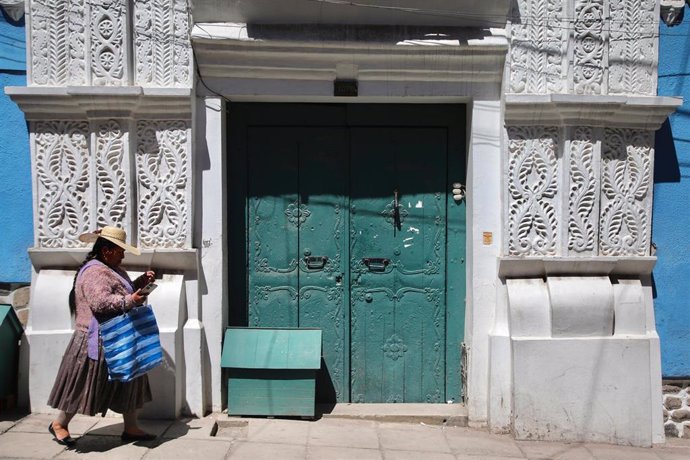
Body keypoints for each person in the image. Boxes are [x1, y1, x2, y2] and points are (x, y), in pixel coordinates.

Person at [47, 226, 157, 445]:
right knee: (82, 384)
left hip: (119, 336)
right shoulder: (95, 272)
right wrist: (131, 301)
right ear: (107, 251)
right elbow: (101, 303)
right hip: (96, 339)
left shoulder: (113, 269)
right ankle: (59, 424)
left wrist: (140, 283)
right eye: (120, 251)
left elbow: (120, 293)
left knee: (129, 381)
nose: (123, 255)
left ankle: (131, 428)